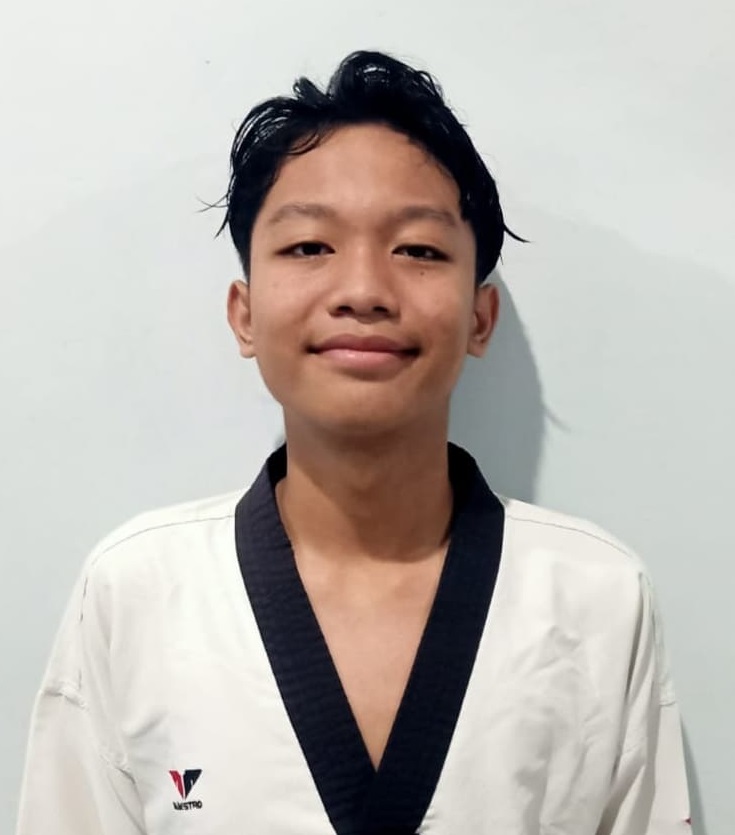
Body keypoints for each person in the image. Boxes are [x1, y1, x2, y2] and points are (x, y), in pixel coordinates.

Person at [16, 51, 690, 835]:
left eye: (418, 250)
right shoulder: (136, 591)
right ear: (244, 314)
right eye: (309, 247)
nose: (364, 290)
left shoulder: (595, 595)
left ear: (479, 318)